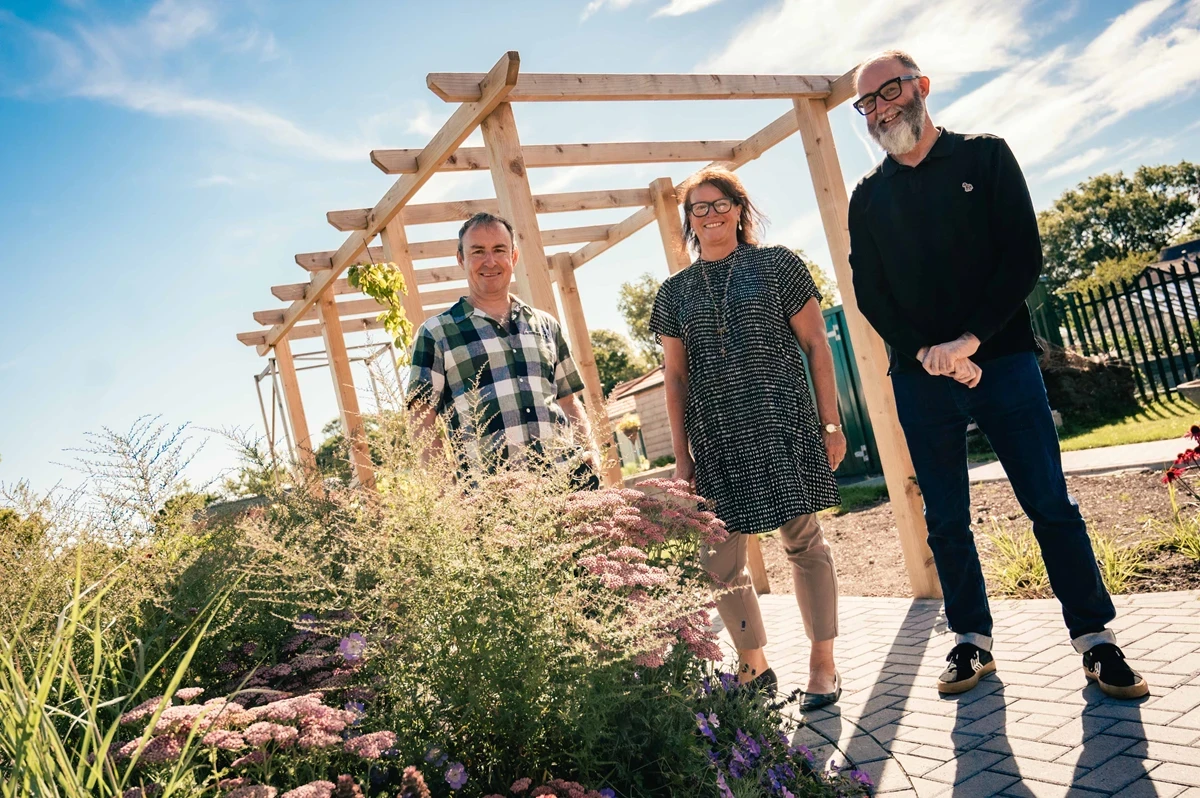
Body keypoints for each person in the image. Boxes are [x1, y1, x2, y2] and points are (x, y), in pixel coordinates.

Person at [846, 50, 1148, 699]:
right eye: (866, 103)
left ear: (922, 87)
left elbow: (1023, 257)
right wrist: (930, 353)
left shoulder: (986, 157)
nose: (879, 109)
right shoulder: (867, 199)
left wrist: (970, 342)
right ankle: (970, 642)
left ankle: (1096, 640)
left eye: (888, 91)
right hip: (921, 378)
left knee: (1049, 505)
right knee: (947, 520)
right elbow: (870, 293)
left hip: (1004, 363)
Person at [649, 167, 845, 709]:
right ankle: (754, 664)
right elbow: (675, 378)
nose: (710, 215)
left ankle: (823, 663)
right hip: (716, 439)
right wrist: (682, 458)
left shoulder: (777, 265)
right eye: (698, 208)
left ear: (739, 209)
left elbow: (817, 348)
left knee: (803, 543)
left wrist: (830, 423)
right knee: (720, 562)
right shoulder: (673, 293)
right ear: (688, 222)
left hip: (781, 424)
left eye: (719, 204)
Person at [406, 212, 599, 488]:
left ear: (514, 256)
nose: (490, 261)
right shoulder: (436, 334)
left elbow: (569, 402)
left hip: (567, 485)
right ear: (461, 259)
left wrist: (591, 453)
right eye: (478, 252)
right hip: (494, 501)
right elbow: (420, 419)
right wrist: (447, 492)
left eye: (499, 250)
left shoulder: (546, 325)